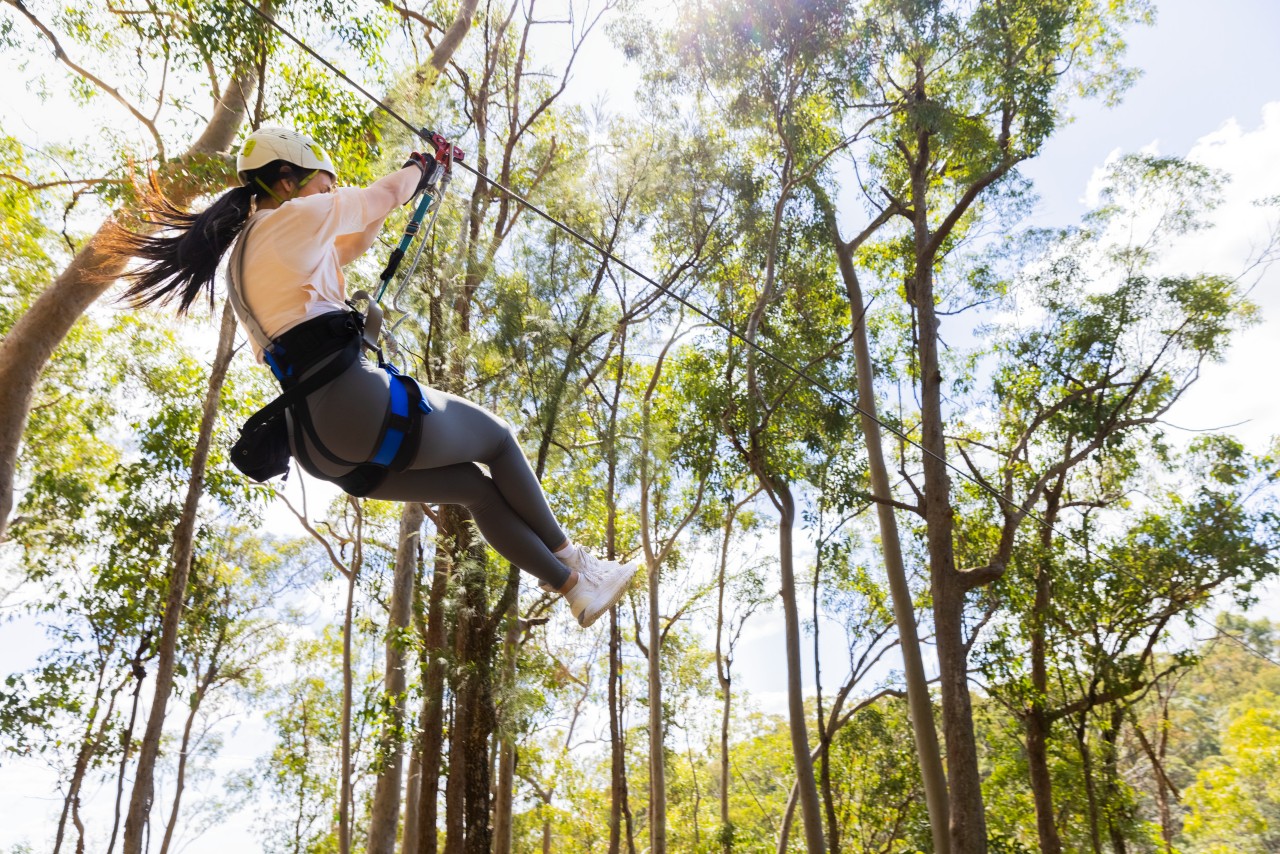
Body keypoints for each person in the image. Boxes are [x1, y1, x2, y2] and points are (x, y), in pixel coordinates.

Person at [115, 126, 638, 627]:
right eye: (324, 186)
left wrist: (409, 190)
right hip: (352, 404)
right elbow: (382, 195)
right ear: (286, 181)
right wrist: (420, 165)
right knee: (498, 439)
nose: (329, 195)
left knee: (474, 490)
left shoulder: (251, 256)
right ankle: (579, 561)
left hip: (321, 448)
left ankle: (573, 589)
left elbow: (354, 242)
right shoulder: (291, 218)